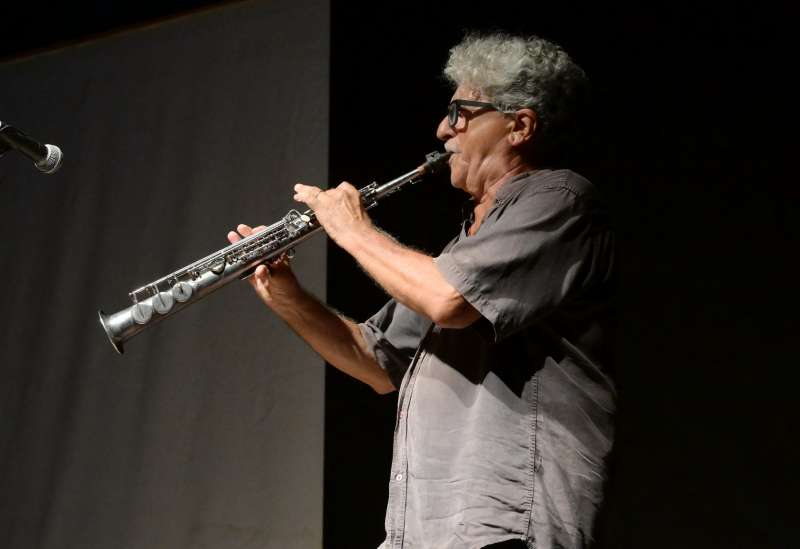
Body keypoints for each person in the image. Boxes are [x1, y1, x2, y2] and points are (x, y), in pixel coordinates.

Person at [229, 32, 615, 549]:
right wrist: (283, 291)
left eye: (461, 112)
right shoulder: (464, 246)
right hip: (425, 530)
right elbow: (375, 360)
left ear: (519, 126)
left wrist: (352, 228)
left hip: (504, 526)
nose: (442, 129)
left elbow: (447, 301)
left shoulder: (559, 200)